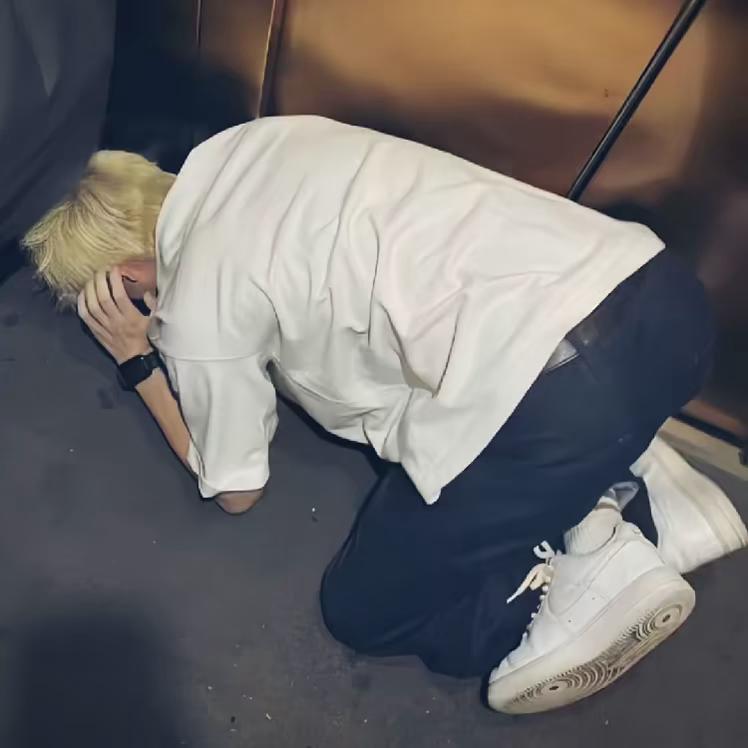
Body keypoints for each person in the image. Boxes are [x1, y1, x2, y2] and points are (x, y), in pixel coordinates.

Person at [22, 116, 729, 713]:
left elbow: (234, 485)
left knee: (365, 606)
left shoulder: (200, 301)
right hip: (666, 305)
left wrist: (139, 358)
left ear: (125, 278)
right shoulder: (257, 139)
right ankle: (624, 483)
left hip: (558, 401)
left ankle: (600, 569)